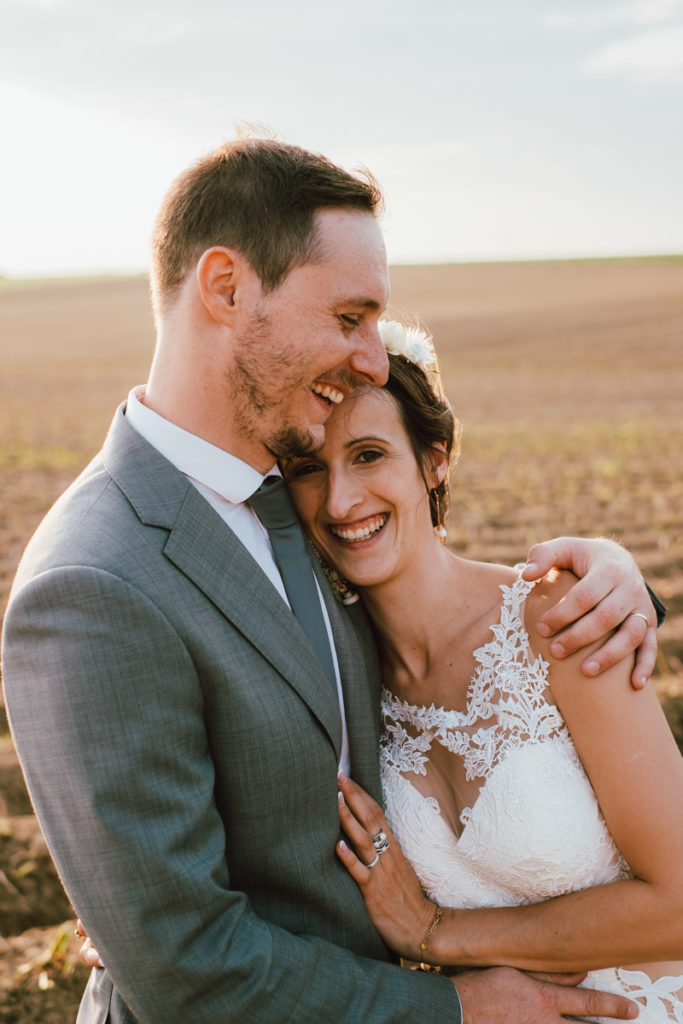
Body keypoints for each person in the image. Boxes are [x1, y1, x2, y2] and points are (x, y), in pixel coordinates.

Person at [1, 136, 662, 1024]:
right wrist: (456, 1008)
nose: (371, 357)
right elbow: (184, 964)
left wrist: (614, 575)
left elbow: (447, 604)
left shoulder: (294, 500)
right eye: (349, 316)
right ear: (226, 287)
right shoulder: (92, 583)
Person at [280, 319, 683, 1023]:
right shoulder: (333, 680)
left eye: (369, 455)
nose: (339, 501)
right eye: (310, 466)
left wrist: (439, 933)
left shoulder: (558, 616)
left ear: (433, 461)